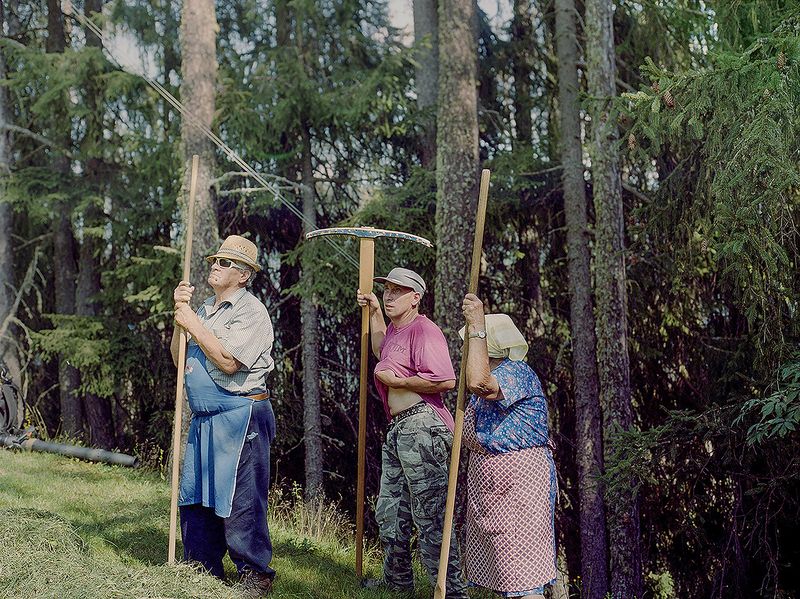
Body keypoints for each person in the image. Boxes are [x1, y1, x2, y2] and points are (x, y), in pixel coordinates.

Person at [171, 234, 276, 598]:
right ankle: (200, 567)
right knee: (197, 495)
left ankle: (256, 573)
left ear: (244, 274)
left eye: (226, 262)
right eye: (216, 260)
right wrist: (180, 319)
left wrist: (193, 325)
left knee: (240, 498)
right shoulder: (202, 309)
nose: (216, 265)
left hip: (241, 414)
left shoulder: (252, 312)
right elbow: (178, 359)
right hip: (205, 418)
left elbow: (230, 363)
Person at [356, 267, 468, 598]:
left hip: (424, 427)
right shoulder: (395, 330)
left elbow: (446, 380)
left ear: (415, 298)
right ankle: (398, 585)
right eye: (387, 290)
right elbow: (381, 351)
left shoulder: (425, 330)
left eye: (397, 291)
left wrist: (399, 381)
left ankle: (451, 591)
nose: (390, 296)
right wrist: (375, 310)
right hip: (399, 429)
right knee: (390, 511)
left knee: (431, 516)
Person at [460, 293, 558, 599]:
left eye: (474, 342)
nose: (467, 348)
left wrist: (477, 324)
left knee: (522, 568)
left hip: (519, 483)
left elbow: (479, 382)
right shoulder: (495, 371)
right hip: (495, 483)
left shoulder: (515, 371)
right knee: (506, 566)